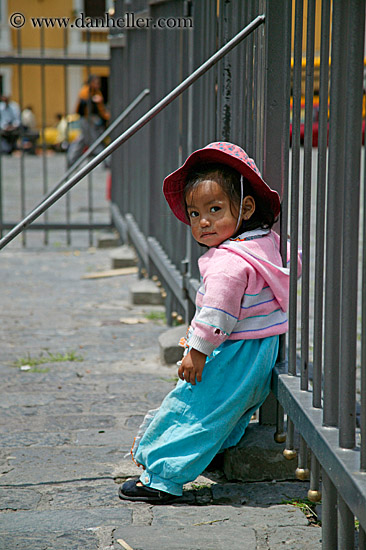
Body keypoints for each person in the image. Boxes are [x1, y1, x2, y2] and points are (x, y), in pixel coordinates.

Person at [119, 142, 300, 504]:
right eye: (195, 213)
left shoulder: (228, 263)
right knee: (225, 409)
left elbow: (216, 313)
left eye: (215, 210)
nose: (203, 222)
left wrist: (197, 352)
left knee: (192, 407)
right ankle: (210, 453)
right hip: (259, 351)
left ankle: (162, 476)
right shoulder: (263, 244)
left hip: (231, 350)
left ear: (246, 207)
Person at [66, 75, 109, 167]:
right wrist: (93, 100)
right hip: (86, 120)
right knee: (95, 141)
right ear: (91, 82)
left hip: (91, 120)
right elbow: (84, 105)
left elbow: (101, 109)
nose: (98, 85)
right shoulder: (85, 91)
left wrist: (106, 116)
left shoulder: (97, 92)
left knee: (82, 140)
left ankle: (71, 160)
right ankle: (106, 160)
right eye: (96, 82)